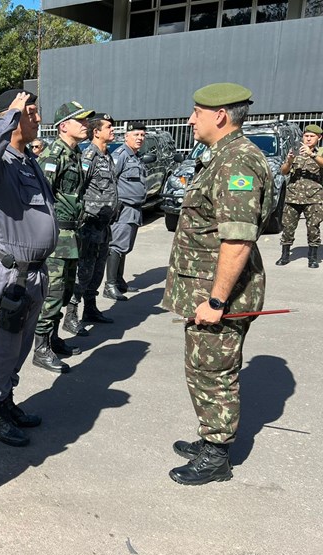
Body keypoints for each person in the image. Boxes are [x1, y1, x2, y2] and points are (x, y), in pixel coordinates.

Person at [163, 83, 272, 486]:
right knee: (204, 367)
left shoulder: (236, 163)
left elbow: (238, 238)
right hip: (207, 291)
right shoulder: (223, 157)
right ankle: (210, 438)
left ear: (220, 115)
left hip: (219, 295)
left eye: (197, 112)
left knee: (214, 371)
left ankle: (216, 455)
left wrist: (216, 299)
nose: (191, 120)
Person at [0, 89, 58, 447]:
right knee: (3, 345)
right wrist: (9, 114)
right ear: (10, 116)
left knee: (20, 345)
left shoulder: (27, 160)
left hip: (33, 271)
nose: (37, 118)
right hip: (10, 274)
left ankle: (6, 399)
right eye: (30, 112)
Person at [34, 101, 95, 373]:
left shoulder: (76, 153)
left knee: (67, 290)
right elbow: (40, 199)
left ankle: (55, 338)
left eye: (86, 120)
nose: (86, 124)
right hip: (57, 235)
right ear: (63, 126)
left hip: (72, 234)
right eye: (79, 120)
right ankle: (40, 347)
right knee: (53, 293)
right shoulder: (53, 155)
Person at [70, 113, 119, 327]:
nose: (113, 130)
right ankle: (71, 313)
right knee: (84, 271)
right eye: (108, 127)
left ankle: (90, 309)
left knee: (98, 270)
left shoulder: (107, 155)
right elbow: (78, 189)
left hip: (104, 225)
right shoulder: (89, 156)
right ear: (96, 131)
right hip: (89, 224)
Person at [105, 122, 148, 301]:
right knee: (117, 246)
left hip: (134, 209)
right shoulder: (120, 155)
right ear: (126, 136)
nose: (139, 138)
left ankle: (120, 281)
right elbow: (109, 180)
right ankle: (110, 285)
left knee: (125, 247)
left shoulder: (136, 157)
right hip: (123, 208)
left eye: (142, 135)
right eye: (136, 135)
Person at [276, 124, 323, 268]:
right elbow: (283, 171)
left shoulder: (320, 152)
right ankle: (285, 255)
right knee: (288, 227)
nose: (308, 139)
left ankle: (313, 257)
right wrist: (289, 161)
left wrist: (312, 155)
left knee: (313, 228)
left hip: (313, 198)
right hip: (293, 196)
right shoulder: (295, 151)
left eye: (312, 136)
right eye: (306, 136)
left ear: (319, 138)